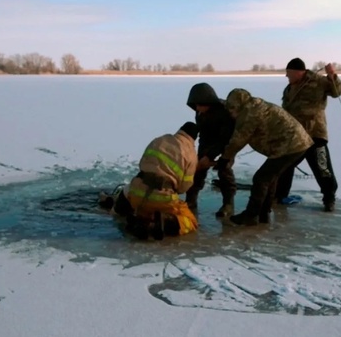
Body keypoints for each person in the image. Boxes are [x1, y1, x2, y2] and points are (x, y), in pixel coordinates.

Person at [215, 88, 314, 226]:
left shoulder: (249, 113)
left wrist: (225, 158)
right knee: (270, 178)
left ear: (238, 105)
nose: (231, 112)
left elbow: (238, 140)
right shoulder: (253, 105)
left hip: (290, 145)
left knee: (261, 179)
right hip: (296, 143)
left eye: (232, 108)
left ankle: (251, 215)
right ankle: (264, 213)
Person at [98, 122, 199, 240]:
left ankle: (121, 211)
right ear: (194, 138)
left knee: (127, 190)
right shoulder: (191, 154)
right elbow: (183, 188)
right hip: (162, 200)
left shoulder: (159, 140)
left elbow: (143, 164)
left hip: (137, 193)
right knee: (191, 221)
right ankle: (160, 223)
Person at [275, 58, 341, 212]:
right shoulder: (289, 89)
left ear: (299, 72)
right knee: (284, 166)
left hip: (315, 135)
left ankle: (329, 199)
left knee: (322, 168)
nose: (287, 77)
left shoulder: (318, 82)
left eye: (289, 73)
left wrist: (332, 75)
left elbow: (337, 91)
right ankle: (280, 196)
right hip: (295, 136)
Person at [185, 83, 236, 217]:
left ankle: (228, 204)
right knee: (198, 169)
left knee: (225, 169)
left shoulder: (226, 112)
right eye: (195, 106)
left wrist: (210, 156)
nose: (197, 108)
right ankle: (190, 200)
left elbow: (226, 139)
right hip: (209, 141)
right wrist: (202, 155)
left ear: (208, 102)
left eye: (199, 105)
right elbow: (203, 134)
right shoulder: (200, 111)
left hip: (228, 142)